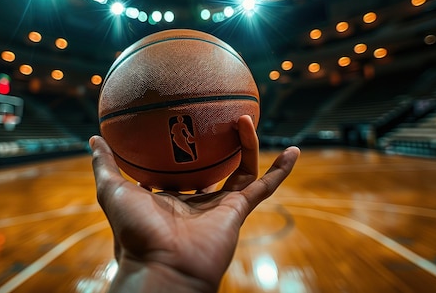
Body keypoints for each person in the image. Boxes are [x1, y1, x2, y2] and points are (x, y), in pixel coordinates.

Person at [90, 115, 300, 293]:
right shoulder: (179, 127)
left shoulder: (178, 127)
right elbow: (184, 136)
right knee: (187, 152)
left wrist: (155, 268)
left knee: (187, 152)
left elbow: (185, 135)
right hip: (182, 145)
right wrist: (166, 270)